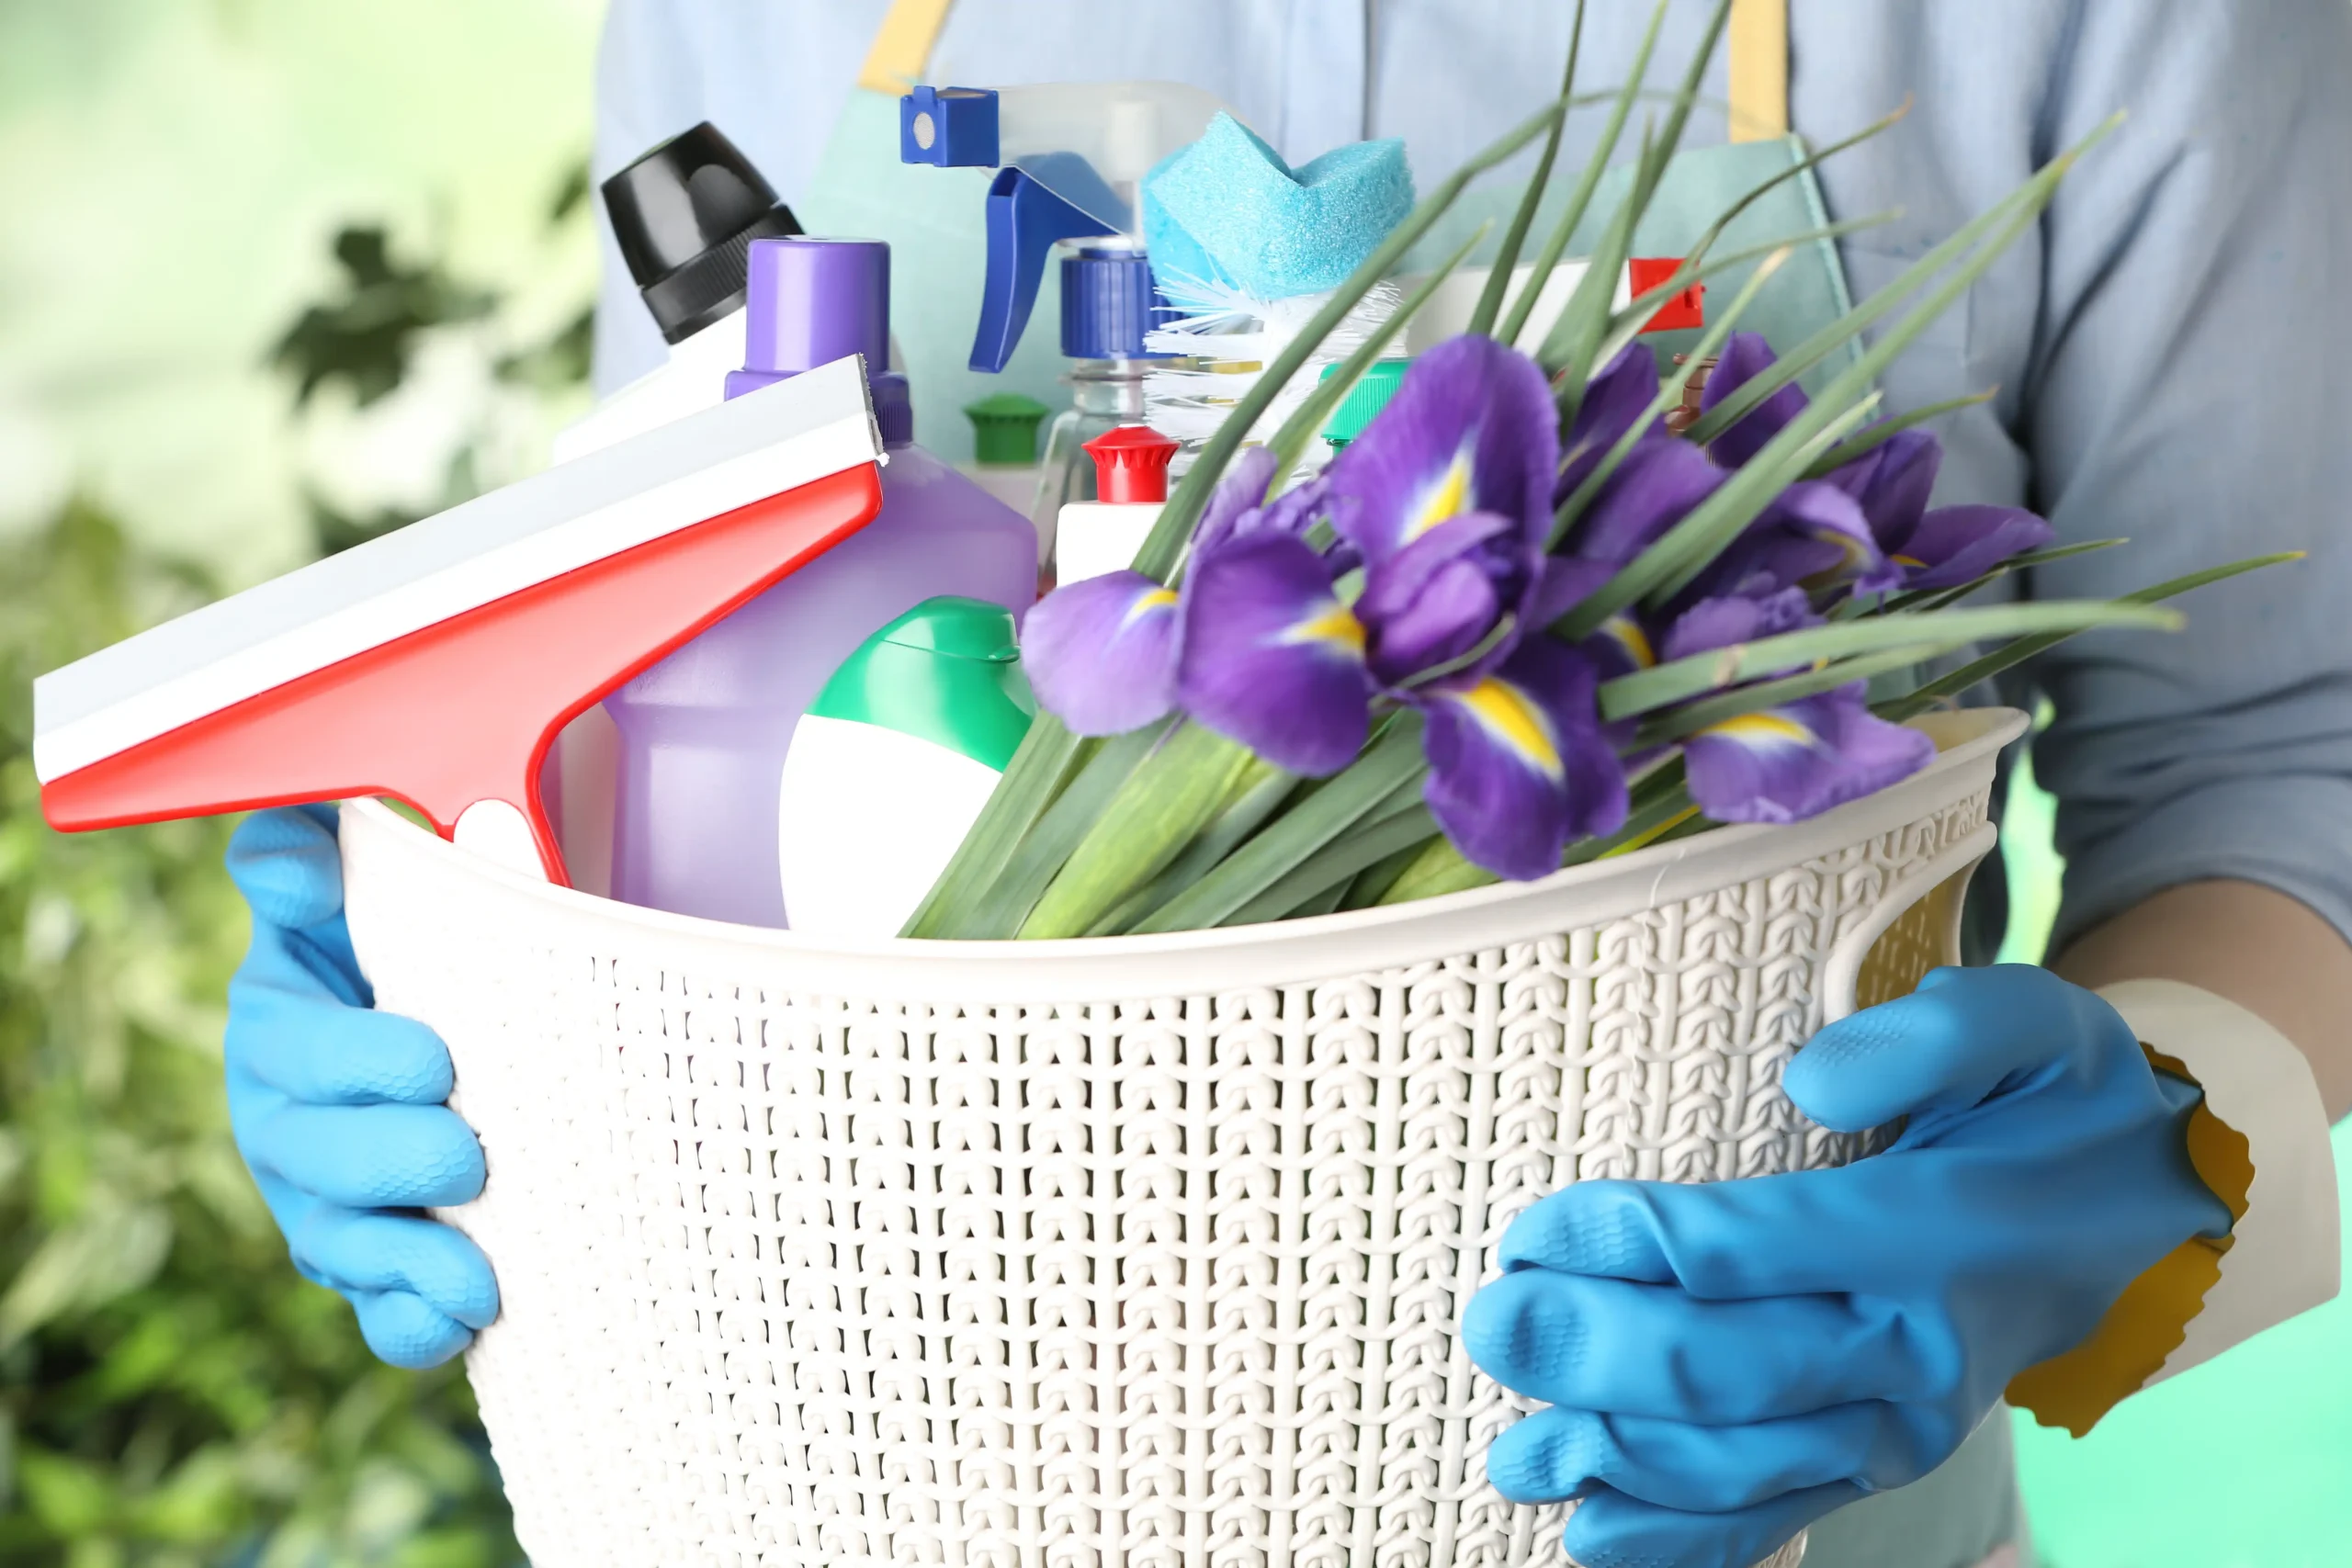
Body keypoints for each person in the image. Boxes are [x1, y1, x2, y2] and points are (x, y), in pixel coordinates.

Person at [220, 5, 2352, 1567]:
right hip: (825, 1473)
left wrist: (2143, 1163)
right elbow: (662, 615)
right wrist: (455, 964)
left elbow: (2287, 759)